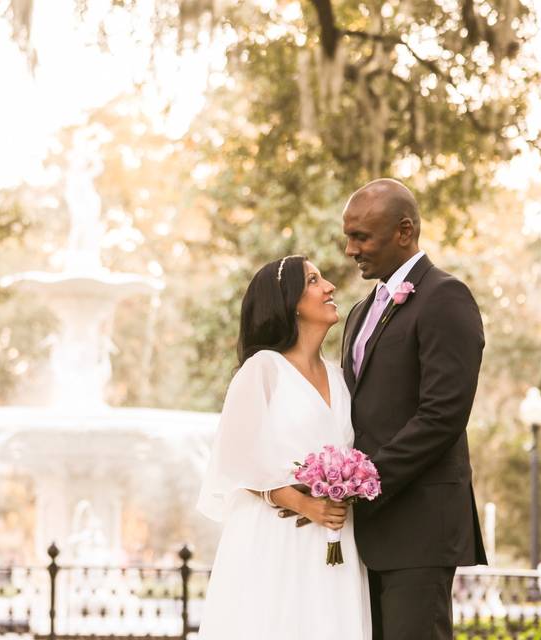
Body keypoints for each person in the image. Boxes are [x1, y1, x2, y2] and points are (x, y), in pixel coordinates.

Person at [337, 178, 487, 639]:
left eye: (361, 236)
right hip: (365, 533)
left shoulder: (445, 297)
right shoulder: (361, 312)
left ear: (404, 231)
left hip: (419, 528)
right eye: (348, 236)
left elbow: (442, 414)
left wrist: (364, 482)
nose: (350, 249)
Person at [196, 255, 371, 639]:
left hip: (336, 538)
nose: (329, 287)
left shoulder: (341, 378)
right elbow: (235, 461)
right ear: (289, 300)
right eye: (314, 280)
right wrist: (304, 503)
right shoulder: (263, 370)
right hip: (277, 537)